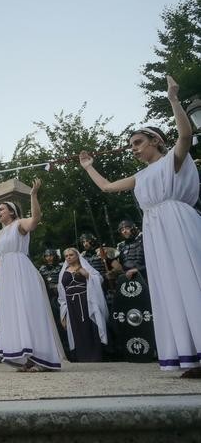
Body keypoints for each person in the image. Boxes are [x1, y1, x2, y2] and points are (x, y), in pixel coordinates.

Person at [80, 76, 201, 377]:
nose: (132, 148)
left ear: (156, 141)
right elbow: (107, 187)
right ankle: (190, 355)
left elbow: (185, 135)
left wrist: (173, 99)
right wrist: (88, 167)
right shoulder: (141, 176)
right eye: (131, 144)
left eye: (137, 142)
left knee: (190, 280)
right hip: (156, 230)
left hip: (177, 221)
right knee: (168, 287)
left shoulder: (172, 159)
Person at [0, 180, 63, 371]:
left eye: (1, 209)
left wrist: (33, 196)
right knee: (13, 313)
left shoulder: (19, 224)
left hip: (21, 270)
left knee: (28, 311)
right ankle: (25, 357)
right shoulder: (2, 233)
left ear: (11, 212)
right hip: (7, 275)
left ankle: (41, 359)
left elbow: (35, 219)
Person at [57, 248, 108, 362]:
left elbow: (99, 278)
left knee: (90, 326)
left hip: (86, 301)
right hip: (71, 304)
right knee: (76, 329)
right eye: (66, 256)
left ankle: (94, 356)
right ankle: (81, 357)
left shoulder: (85, 267)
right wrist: (63, 314)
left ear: (77, 256)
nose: (68, 257)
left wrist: (87, 275)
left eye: (71, 255)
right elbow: (61, 294)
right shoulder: (63, 272)